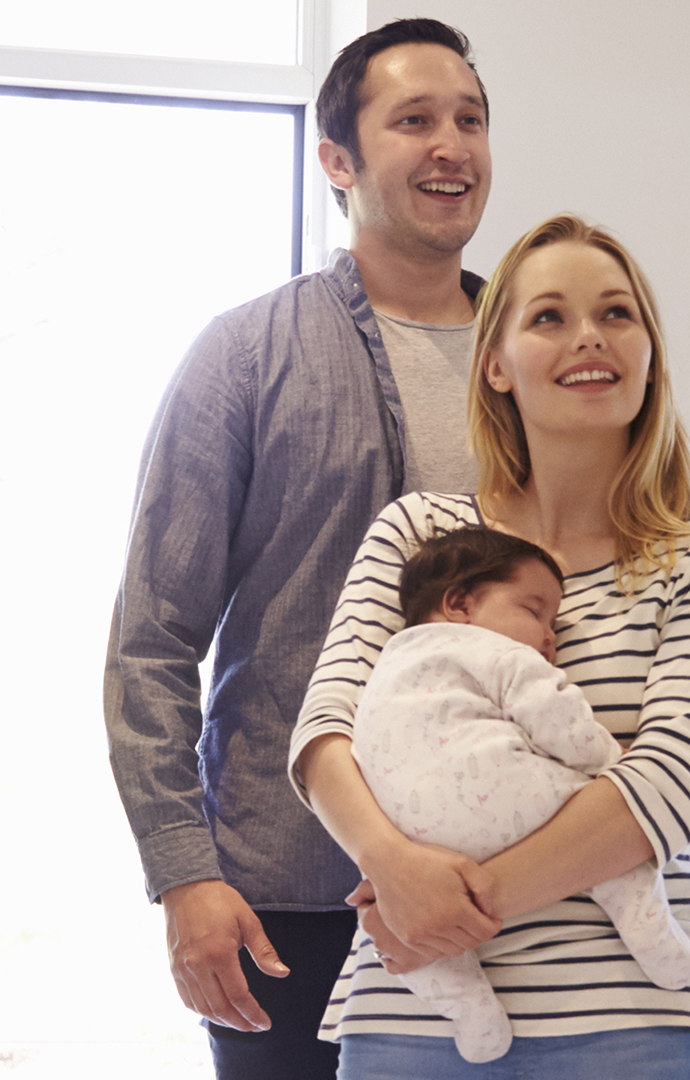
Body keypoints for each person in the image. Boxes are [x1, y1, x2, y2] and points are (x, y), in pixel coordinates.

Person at [104, 17, 491, 1078]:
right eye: (413, 121)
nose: (451, 146)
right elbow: (152, 639)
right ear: (337, 159)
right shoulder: (246, 354)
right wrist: (185, 877)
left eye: (469, 119)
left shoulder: (541, 354)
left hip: (514, 884)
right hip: (293, 894)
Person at [290, 213, 690, 1080]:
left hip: (637, 1020)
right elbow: (325, 731)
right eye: (549, 316)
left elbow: (665, 779)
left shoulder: (685, 561)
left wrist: (443, 910)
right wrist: (389, 864)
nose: (589, 336)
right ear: (496, 361)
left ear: (650, 350)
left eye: (617, 313)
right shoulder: (419, 531)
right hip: (408, 1022)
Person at [352, 527, 690, 1063]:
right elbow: (556, 715)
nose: (551, 636)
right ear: (460, 604)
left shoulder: (382, 669)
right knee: (610, 819)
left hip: (413, 841)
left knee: (421, 950)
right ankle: (650, 932)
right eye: (536, 612)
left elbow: (331, 742)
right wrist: (609, 758)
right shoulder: (495, 652)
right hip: (507, 801)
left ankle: (468, 1007)